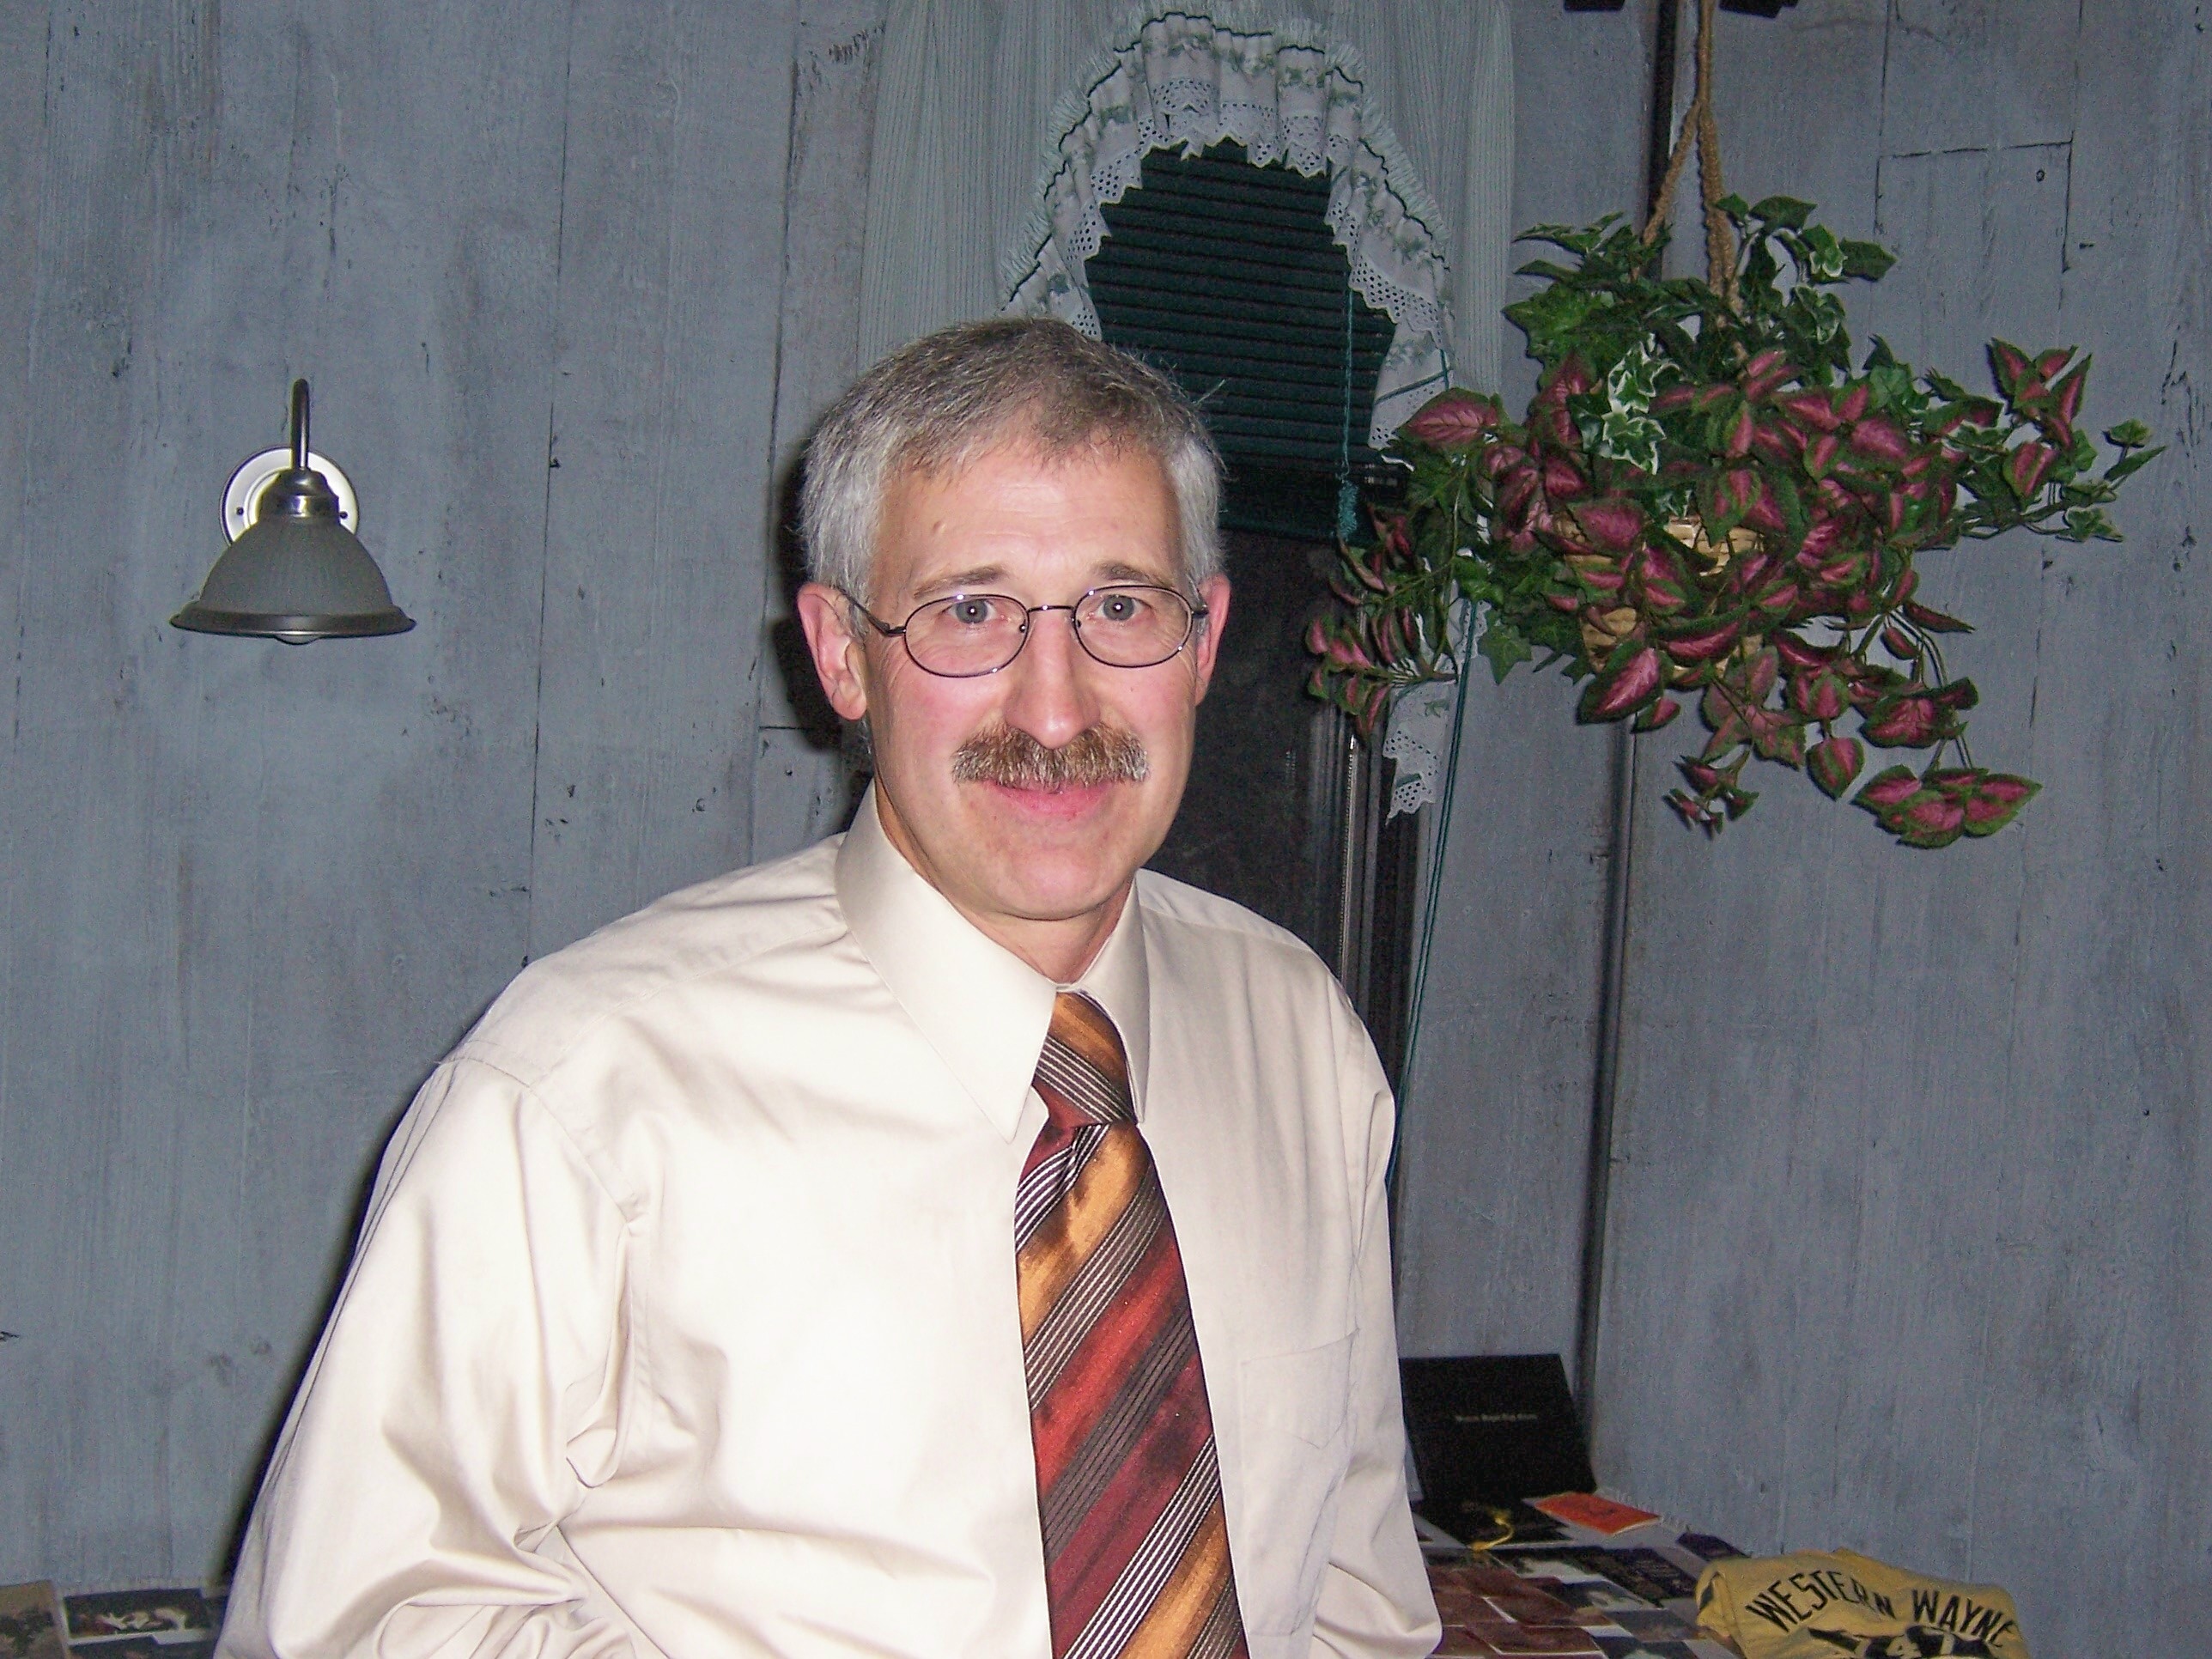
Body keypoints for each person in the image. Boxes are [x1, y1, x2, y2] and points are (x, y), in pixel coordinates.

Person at [222, 319, 1439, 1658]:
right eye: (969, 612)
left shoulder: (1301, 1044)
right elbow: (349, 1621)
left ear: (1203, 640)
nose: (1055, 709)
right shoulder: (581, 1094)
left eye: (1120, 608)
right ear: (843, 654)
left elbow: (1353, 1599)